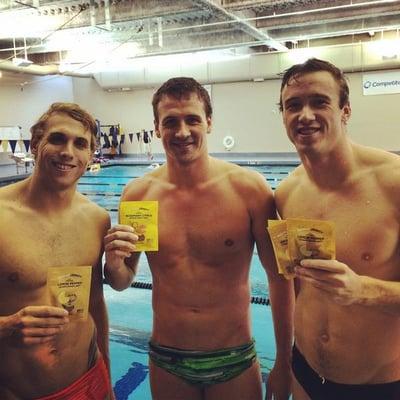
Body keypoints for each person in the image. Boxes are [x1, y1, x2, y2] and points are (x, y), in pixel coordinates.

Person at [104, 77, 294, 400]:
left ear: (209, 121)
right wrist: (113, 264)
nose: (182, 132)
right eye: (170, 122)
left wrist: (284, 362)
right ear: (156, 128)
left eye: (192, 119)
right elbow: (123, 281)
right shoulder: (138, 195)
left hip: (233, 357)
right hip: (167, 358)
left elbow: (279, 279)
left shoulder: (249, 190)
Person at [276, 58, 400, 400]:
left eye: (319, 102)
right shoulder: (286, 193)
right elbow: (295, 286)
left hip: (379, 386)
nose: (305, 115)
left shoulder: (393, 183)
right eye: (293, 105)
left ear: (345, 110)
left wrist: (362, 290)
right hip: (305, 373)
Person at [0, 103, 113, 399]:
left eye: (80, 144)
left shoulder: (97, 219)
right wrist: (6, 327)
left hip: (91, 379)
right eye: (57, 139)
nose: (68, 152)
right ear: (36, 143)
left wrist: (108, 375)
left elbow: (95, 303)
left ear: (90, 155)